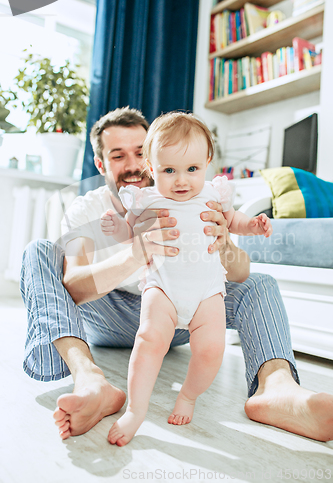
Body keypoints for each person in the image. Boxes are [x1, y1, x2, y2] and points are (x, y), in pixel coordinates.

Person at [20, 107, 333, 443]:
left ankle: (276, 389)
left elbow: (241, 274)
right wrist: (135, 254)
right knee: (37, 251)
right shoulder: (89, 208)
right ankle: (89, 380)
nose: (133, 164)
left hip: (187, 314)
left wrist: (224, 241)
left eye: (140, 151)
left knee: (262, 283)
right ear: (101, 164)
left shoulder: (200, 198)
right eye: (118, 155)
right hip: (110, 313)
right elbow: (74, 287)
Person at [101, 112, 273, 446]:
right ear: (152, 169)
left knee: (211, 350)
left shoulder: (214, 194)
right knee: (149, 339)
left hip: (207, 291)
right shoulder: (147, 199)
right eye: (169, 171)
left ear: (207, 162)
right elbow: (131, 233)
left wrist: (251, 225)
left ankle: (189, 396)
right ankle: (135, 410)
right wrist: (117, 228)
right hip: (162, 286)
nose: (181, 181)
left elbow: (233, 220)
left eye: (192, 169)